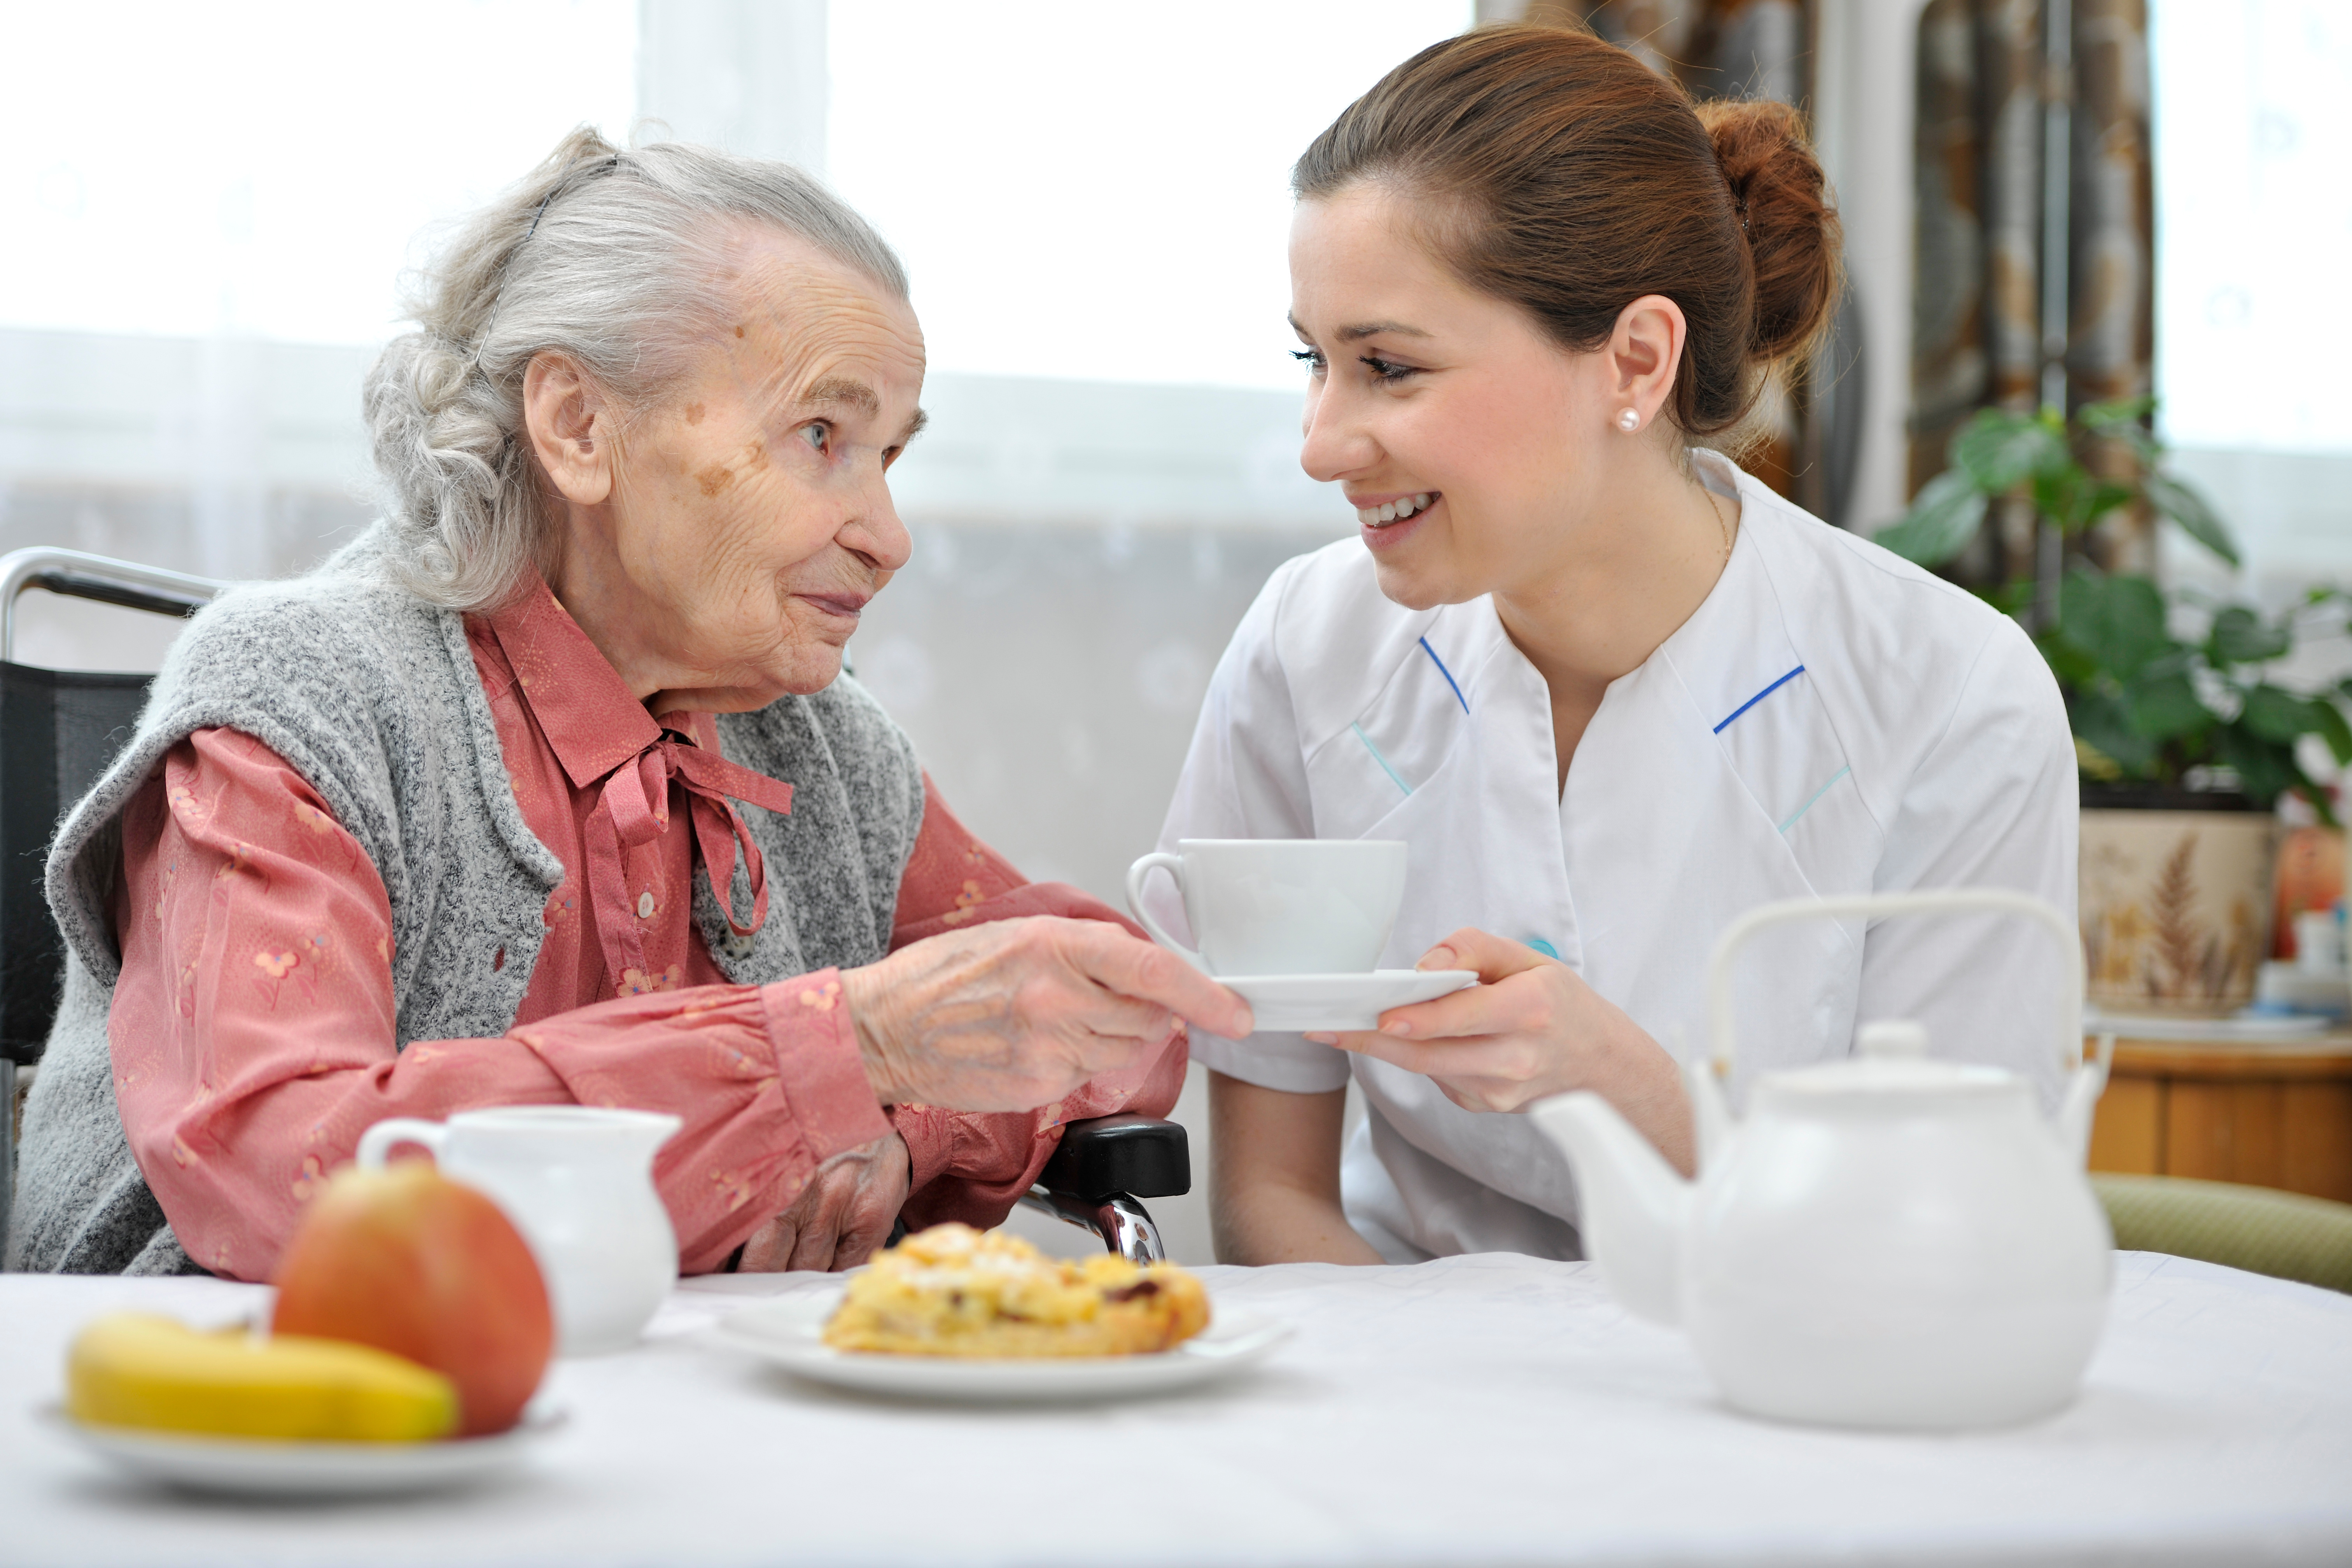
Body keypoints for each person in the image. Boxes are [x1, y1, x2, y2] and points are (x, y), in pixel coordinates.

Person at [9, 130, 1250, 1279]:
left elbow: (1116, 1008)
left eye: (891, 456)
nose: (887, 537)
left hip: (661, 1427)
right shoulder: (306, 698)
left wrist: (906, 1117)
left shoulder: (817, 741)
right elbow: (288, 1163)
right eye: (822, 434)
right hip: (249, 1412)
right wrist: (841, 1050)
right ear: (579, 425)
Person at [1152, 24, 2076, 1265]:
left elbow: (1954, 1235)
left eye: (1387, 367)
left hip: (1789, 1389)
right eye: (1313, 362)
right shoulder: (1306, 646)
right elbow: (1276, 1202)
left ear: (1634, 359)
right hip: (1394, 1379)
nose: (1321, 441)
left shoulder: (1952, 698)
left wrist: (1619, 1080)